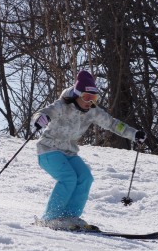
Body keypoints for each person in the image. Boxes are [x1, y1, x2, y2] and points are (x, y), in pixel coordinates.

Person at [31, 69, 146, 230]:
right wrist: (40, 119)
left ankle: (70, 216)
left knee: (85, 178)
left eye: (93, 98)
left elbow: (113, 124)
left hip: (69, 152)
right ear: (77, 95)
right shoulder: (62, 106)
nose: (89, 102)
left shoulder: (92, 111)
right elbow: (43, 113)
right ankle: (51, 218)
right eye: (86, 97)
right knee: (69, 178)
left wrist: (134, 134)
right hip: (48, 150)